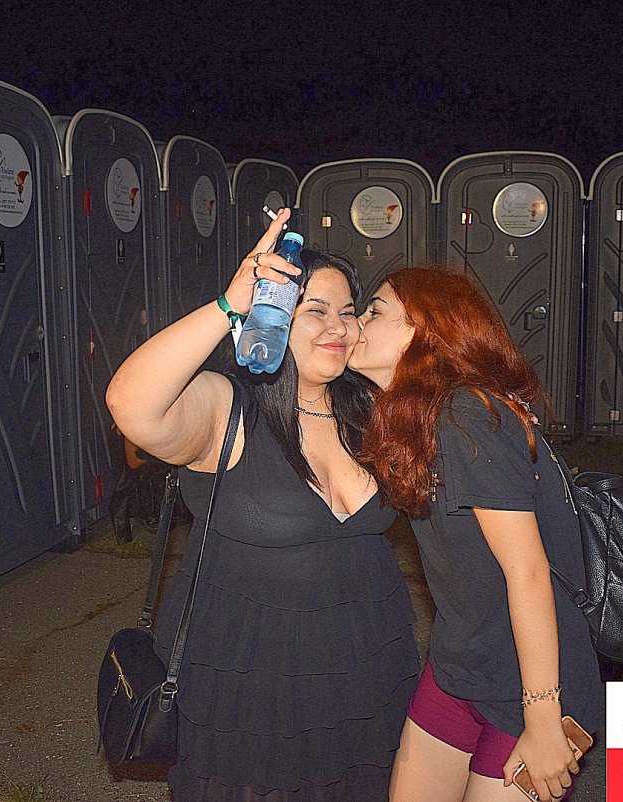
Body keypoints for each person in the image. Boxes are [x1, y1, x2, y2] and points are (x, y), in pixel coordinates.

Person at [105, 208, 419, 801]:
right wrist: (229, 307)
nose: (339, 327)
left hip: (365, 666)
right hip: (250, 679)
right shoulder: (229, 408)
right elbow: (131, 403)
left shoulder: (371, 411)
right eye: (314, 310)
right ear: (272, 311)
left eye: (348, 311)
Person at [348, 267, 603, 802]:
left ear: (426, 331)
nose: (357, 322)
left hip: (533, 680)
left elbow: (527, 572)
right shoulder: (415, 417)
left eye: (374, 311)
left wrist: (543, 719)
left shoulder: (468, 414)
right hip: (461, 662)